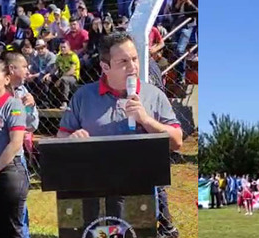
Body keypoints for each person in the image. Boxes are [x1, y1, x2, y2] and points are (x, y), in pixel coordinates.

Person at [57, 32, 183, 226]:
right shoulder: (83, 96)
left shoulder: (153, 95)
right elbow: (62, 135)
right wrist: (72, 139)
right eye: (123, 61)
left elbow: (177, 141)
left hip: (140, 197)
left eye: (134, 59)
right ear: (105, 67)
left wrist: (146, 120)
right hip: (94, 194)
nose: (133, 67)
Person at [0, 59, 30, 238]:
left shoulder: (13, 105)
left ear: (7, 78)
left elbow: (15, 143)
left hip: (9, 172)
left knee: (11, 235)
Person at [45, 40, 80, 109]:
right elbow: (55, 68)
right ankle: (48, 102)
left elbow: (71, 71)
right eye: (61, 47)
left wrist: (60, 79)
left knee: (64, 80)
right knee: (48, 80)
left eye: (64, 47)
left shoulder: (73, 56)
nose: (62, 49)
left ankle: (64, 102)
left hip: (72, 77)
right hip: (61, 76)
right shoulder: (59, 56)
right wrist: (48, 74)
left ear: (69, 47)